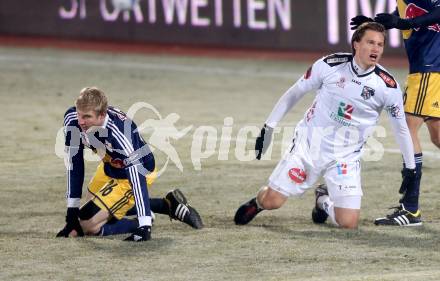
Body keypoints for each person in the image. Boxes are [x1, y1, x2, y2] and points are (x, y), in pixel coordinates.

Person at [234, 22, 416, 229]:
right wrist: (269, 127)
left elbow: (401, 128)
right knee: (272, 201)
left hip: (345, 156)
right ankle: (258, 203)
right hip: (309, 146)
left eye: (380, 45)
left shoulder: (387, 86)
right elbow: (295, 92)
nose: (376, 49)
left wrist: (411, 169)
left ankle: (322, 200)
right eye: (370, 42)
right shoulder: (329, 65)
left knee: (348, 223)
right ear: (356, 44)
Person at [56, 87, 203, 242]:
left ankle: (143, 218)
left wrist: (144, 225)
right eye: (79, 114)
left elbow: (136, 177)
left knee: (87, 225)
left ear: (102, 115)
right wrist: (71, 212)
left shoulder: (120, 134)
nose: (81, 121)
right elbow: (75, 163)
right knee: (83, 214)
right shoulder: (72, 120)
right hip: (111, 165)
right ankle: (166, 204)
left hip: (137, 171)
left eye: (87, 116)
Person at [351, 0, 440, 226]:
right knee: (438, 135)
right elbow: (399, 14)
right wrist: (373, 24)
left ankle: (410, 209)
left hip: (429, 69)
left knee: (408, 129)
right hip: (427, 69)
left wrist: (404, 22)